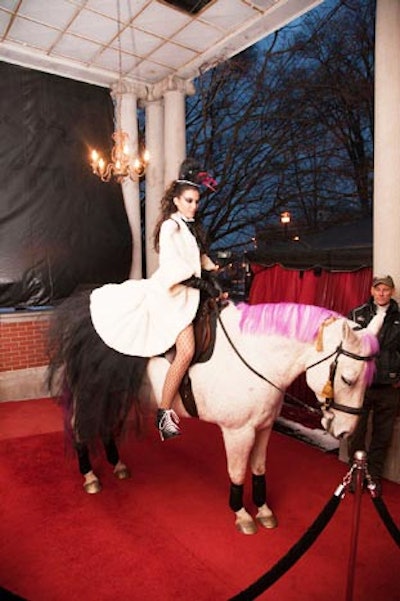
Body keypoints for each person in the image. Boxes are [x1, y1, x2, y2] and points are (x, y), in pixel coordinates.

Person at [90, 158, 222, 441]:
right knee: (186, 351)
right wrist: (202, 282)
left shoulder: (191, 227)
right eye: (188, 200)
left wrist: (217, 267)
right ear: (176, 200)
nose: (193, 206)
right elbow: (176, 267)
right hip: (174, 295)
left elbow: (197, 258)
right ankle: (164, 414)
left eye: (197, 201)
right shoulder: (170, 227)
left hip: (193, 292)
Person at [347, 275, 400, 494]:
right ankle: (355, 475)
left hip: (389, 386)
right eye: (378, 289)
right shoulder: (357, 314)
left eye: (386, 290)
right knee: (356, 432)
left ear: (392, 291)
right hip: (362, 386)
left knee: (382, 435)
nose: (381, 294)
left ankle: (373, 477)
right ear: (371, 291)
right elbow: (347, 346)